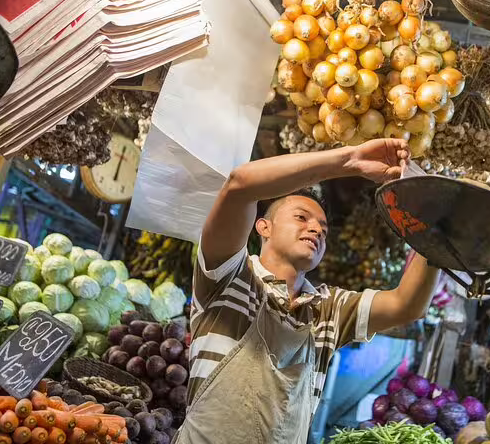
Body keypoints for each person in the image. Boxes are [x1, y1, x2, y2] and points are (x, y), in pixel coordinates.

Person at [175, 138, 442, 444]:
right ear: (264, 227)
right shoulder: (229, 275)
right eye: (301, 217)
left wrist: (436, 228)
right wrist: (350, 160)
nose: (316, 229)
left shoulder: (329, 309)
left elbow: (406, 305)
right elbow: (240, 184)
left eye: (324, 230)